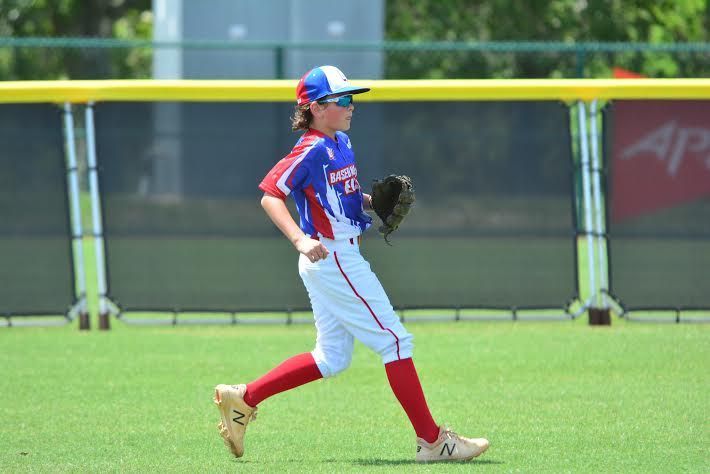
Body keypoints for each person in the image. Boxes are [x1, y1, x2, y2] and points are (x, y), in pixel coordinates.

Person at [213, 65, 489, 463]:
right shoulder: (310, 148)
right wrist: (299, 238)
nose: (351, 105)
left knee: (331, 358)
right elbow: (271, 194)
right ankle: (433, 441)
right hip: (331, 256)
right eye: (342, 99)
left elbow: (343, 193)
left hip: (339, 255)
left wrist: (370, 203)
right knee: (395, 341)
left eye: (352, 97)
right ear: (315, 108)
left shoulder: (340, 142)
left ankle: (245, 397)